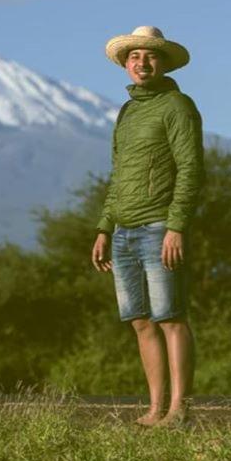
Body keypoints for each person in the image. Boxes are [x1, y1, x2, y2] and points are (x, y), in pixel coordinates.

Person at [91, 26, 204, 427]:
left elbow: (191, 168)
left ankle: (179, 410)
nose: (142, 62)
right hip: (123, 231)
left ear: (163, 63)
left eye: (150, 56)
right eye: (135, 56)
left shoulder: (178, 106)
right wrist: (105, 227)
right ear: (125, 64)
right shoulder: (127, 112)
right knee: (140, 320)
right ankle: (155, 409)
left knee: (170, 317)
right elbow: (119, 175)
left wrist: (176, 226)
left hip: (159, 228)